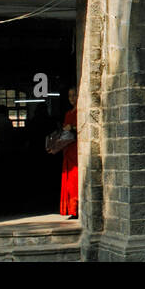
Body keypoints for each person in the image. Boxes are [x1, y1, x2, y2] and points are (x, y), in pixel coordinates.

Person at [56, 86, 78, 219]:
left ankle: (77, 206)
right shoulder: (68, 113)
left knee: (75, 178)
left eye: (74, 95)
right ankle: (71, 207)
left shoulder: (79, 112)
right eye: (70, 96)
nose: (72, 98)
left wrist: (73, 128)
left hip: (76, 149)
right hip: (68, 149)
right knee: (69, 179)